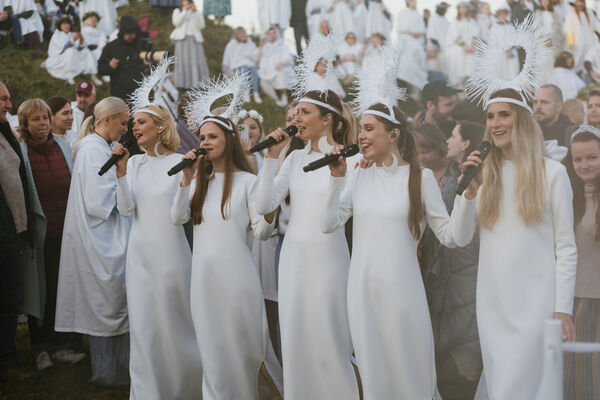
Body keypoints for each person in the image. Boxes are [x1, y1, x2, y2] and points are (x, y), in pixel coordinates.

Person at [452, 88, 577, 400]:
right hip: (492, 304)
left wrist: (563, 310)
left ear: (521, 119)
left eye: (503, 114)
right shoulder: (485, 174)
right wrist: (468, 193)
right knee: (501, 386)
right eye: (490, 116)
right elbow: (460, 236)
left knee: (529, 386)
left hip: (538, 305)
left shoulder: (554, 173)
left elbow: (566, 248)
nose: (495, 123)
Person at [256, 90, 360, 399]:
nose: (296, 119)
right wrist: (271, 158)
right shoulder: (294, 158)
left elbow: (333, 221)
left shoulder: (350, 161)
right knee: (295, 338)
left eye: (304, 112)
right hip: (292, 261)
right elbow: (265, 205)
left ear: (327, 118)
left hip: (329, 260)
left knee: (330, 338)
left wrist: (336, 176)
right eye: (296, 112)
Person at [171, 112, 283, 399]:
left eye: (212, 137)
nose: (205, 142)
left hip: (238, 282)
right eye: (203, 137)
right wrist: (186, 179)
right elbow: (177, 216)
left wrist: (269, 211)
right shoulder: (198, 179)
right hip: (203, 282)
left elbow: (262, 231)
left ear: (229, 141)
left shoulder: (247, 181)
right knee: (211, 351)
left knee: (243, 351)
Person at [112, 103, 203, 399]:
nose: (134, 128)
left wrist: (186, 181)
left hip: (171, 256)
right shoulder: (135, 163)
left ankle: (184, 388)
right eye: (133, 123)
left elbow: (179, 218)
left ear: (161, 127)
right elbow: (126, 210)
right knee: (143, 328)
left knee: (175, 325)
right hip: (139, 258)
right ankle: (147, 392)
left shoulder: (180, 162)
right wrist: (121, 172)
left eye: (141, 122)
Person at [54, 97, 131, 387]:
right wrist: (126, 184)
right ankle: (108, 371)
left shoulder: (103, 147)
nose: (125, 128)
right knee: (106, 299)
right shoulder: (91, 150)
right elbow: (99, 202)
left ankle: (120, 366)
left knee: (113, 298)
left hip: (107, 231)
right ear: (106, 120)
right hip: (100, 235)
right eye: (122, 122)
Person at [17, 98, 86, 372]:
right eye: (36, 119)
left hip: (65, 233)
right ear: (25, 123)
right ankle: (40, 349)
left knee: (62, 289)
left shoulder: (64, 148)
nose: (43, 123)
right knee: (39, 292)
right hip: (39, 235)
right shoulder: (21, 153)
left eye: (45, 118)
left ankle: (62, 345)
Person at [563, 125, 600, 400]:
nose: (584, 164)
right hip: (574, 300)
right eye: (578, 159)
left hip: (597, 298)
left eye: (592, 157)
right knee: (576, 378)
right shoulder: (567, 197)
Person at [0, 82, 31, 381]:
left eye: (9, 98)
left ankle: (8, 357)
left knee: (9, 298)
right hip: (3, 231)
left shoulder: (4, 133)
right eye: (3, 99)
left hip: (11, 230)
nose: (9, 105)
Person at [97, 16, 147, 102]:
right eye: (129, 33)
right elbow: (100, 69)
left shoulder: (140, 44)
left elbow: (148, 63)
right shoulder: (111, 47)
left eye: (134, 33)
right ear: (123, 32)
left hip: (140, 93)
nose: (132, 36)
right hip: (119, 95)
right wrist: (110, 67)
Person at [43, 16, 100, 85]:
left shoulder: (71, 34)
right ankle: (69, 75)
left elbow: (79, 49)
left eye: (68, 24)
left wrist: (81, 42)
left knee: (86, 51)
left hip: (73, 55)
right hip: (60, 57)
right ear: (60, 26)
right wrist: (73, 40)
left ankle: (93, 75)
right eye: (64, 24)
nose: (67, 26)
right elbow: (62, 49)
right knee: (70, 51)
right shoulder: (57, 35)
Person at [170, 0, 210, 90]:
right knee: (182, 61)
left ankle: (196, 84)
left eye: (189, 2)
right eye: (185, 2)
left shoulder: (197, 12)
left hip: (194, 40)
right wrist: (185, 11)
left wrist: (195, 13)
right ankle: (182, 84)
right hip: (182, 40)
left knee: (195, 62)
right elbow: (176, 23)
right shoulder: (177, 11)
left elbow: (201, 26)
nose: (187, 4)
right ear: (182, 3)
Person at [222, 27, 262, 103]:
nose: (242, 35)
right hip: (238, 65)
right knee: (245, 68)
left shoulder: (251, 44)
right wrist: (228, 72)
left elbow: (254, 57)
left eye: (243, 33)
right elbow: (228, 58)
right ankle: (246, 92)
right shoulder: (232, 44)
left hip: (250, 63)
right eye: (240, 33)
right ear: (236, 35)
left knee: (254, 71)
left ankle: (256, 92)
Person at [445, 2, 479, 89]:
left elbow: (475, 34)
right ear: (458, 9)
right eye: (461, 8)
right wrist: (464, 46)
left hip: (470, 50)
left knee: (469, 71)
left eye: (464, 8)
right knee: (458, 71)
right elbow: (455, 35)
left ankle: (466, 91)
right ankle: (458, 90)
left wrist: (472, 45)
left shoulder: (471, 21)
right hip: (459, 49)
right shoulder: (455, 21)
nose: (463, 10)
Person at [395, 0, 428, 91]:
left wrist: (418, 33)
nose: (414, 2)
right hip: (407, 40)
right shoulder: (402, 13)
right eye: (412, 1)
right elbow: (400, 27)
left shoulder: (417, 13)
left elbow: (422, 28)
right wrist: (411, 32)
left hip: (417, 41)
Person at [258, 27, 294, 107]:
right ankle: (276, 100)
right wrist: (261, 47)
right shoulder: (265, 47)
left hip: (279, 69)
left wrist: (281, 63)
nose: (272, 35)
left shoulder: (283, 45)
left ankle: (284, 96)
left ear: (277, 34)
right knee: (262, 82)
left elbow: (289, 59)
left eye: (274, 33)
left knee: (280, 72)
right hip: (268, 72)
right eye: (270, 34)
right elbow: (257, 59)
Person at [563, 0, 600, 73]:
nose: (580, 4)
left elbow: (595, 26)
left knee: (588, 62)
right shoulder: (571, 14)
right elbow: (568, 29)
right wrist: (571, 42)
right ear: (576, 3)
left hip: (590, 44)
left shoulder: (589, 12)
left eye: (582, 2)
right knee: (576, 63)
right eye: (579, 2)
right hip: (578, 44)